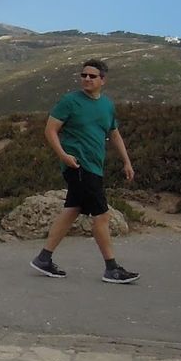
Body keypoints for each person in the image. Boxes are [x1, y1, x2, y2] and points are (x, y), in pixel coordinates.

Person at [30, 58, 139, 284]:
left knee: (72, 210)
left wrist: (126, 161)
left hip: (94, 166)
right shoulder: (70, 101)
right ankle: (111, 268)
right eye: (84, 75)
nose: (86, 79)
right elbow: (50, 130)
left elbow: (114, 133)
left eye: (92, 76)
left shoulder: (107, 105)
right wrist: (63, 156)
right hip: (79, 166)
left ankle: (43, 258)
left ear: (103, 80)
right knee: (101, 215)